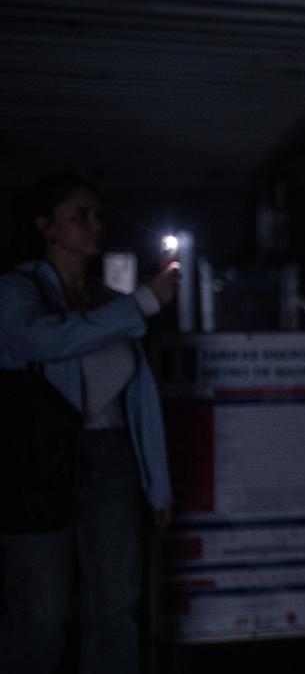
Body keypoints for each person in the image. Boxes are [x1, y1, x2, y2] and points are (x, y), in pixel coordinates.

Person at [0, 174, 180, 674]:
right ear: (46, 227)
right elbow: (41, 340)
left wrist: (157, 484)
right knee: (41, 615)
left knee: (116, 608)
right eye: (79, 215)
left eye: (97, 214)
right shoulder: (17, 291)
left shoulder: (108, 300)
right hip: (39, 467)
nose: (93, 224)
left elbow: (137, 400)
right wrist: (143, 302)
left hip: (113, 462)